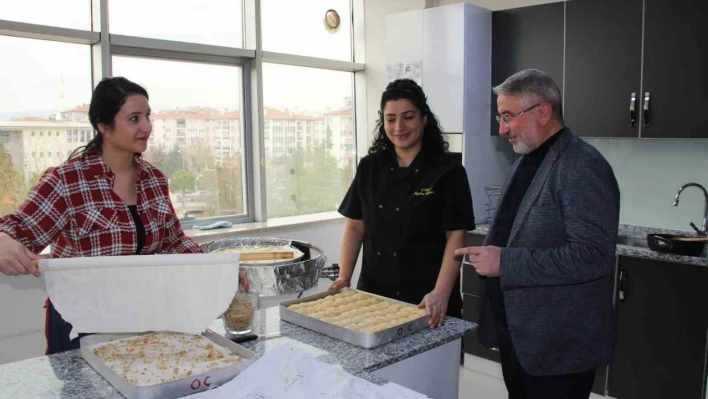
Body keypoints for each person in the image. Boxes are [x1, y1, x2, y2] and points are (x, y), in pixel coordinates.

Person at [0, 77, 203, 355]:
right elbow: (17, 229)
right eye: (134, 118)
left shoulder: (154, 179)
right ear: (104, 126)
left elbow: (173, 242)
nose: (146, 127)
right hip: (80, 322)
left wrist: (223, 268)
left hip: (141, 316)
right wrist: (3, 240)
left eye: (147, 116)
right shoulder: (67, 181)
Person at [455, 69, 619, 399]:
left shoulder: (583, 165)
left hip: (558, 349)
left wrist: (505, 262)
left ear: (542, 112)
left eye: (508, 116)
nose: (502, 129)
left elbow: (594, 256)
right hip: (521, 336)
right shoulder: (527, 160)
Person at [330, 78, 475, 327]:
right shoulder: (369, 167)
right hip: (374, 298)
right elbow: (355, 227)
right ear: (383, 121)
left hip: (427, 299)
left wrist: (440, 293)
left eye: (408, 117)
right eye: (390, 119)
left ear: (424, 119)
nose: (399, 127)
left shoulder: (448, 171)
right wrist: (345, 277)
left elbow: (456, 236)